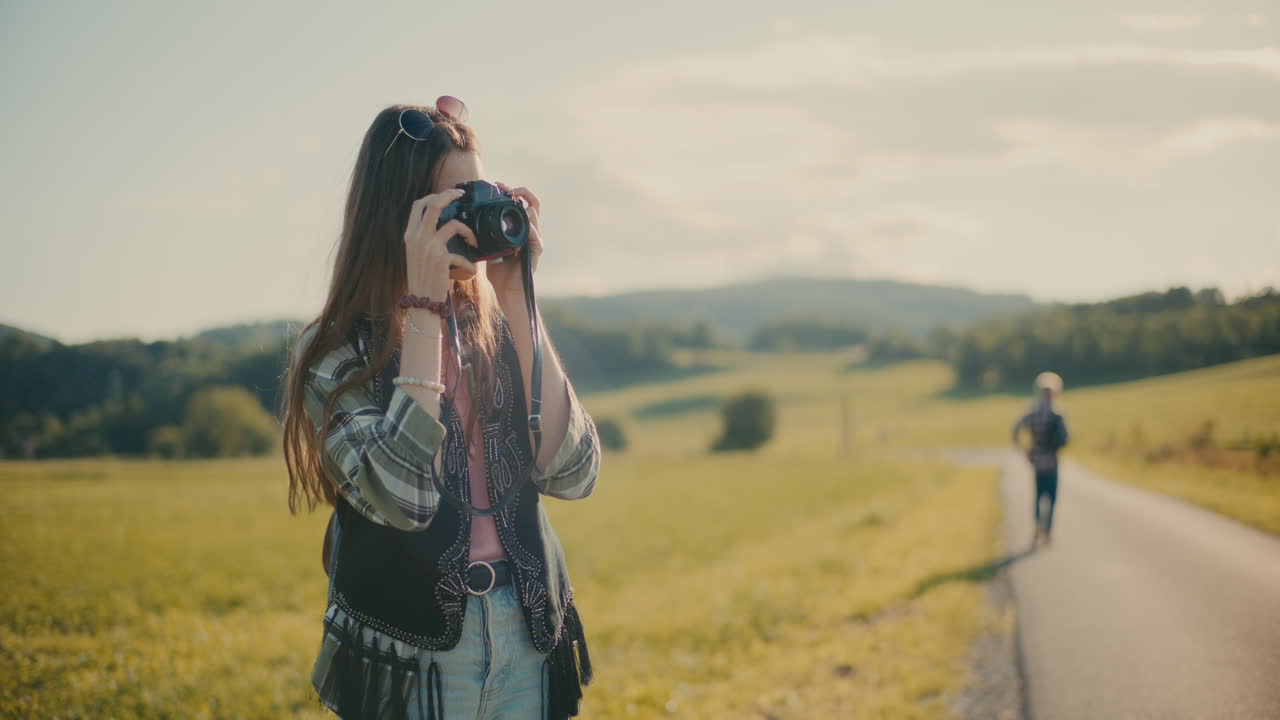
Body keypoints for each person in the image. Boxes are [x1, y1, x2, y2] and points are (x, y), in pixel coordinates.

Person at [281, 97, 601, 720]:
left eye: (480, 194)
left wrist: (518, 297)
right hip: (407, 658)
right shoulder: (336, 351)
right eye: (453, 205)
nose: (475, 220)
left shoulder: (498, 325)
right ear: (398, 218)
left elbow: (575, 472)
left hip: (530, 637)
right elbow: (404, 499)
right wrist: (422, 309)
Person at [1011, 371, 1069, 547]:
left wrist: (1024, 450)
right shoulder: (1057, 414)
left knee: (1038, 496)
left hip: (1037, 461)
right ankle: (1048, 531)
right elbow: (1066, 437)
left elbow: (1016, 428)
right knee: (1051, 498)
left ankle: (1037, 525)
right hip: (1052, 461)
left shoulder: (1033, 413)